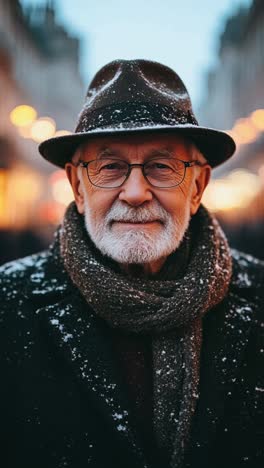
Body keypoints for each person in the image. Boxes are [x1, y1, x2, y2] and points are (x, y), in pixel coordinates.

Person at [0, 59, 263, 468]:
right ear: (78, 187)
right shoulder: (7, 303)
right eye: (110, 167)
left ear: (197, 187)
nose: (136, 192)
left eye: (162, 167)